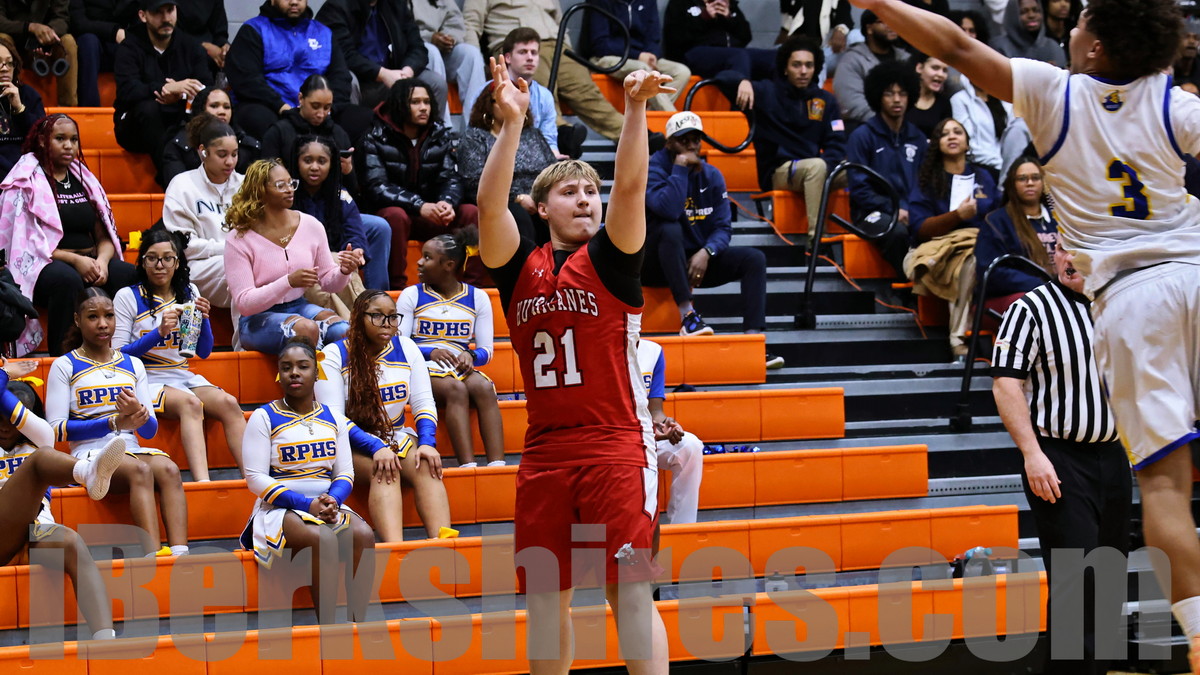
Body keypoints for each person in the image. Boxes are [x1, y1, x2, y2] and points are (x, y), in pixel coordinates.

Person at [842, 5, 1200, 640]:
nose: (1073, 28)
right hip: (1195, 270)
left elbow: (955, 46)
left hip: (1135, 297)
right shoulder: (1178, 104)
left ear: (1096, 48)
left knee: (1166, 490)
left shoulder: (1054, 92)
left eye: (1083, 21)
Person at [478, 57, 673, 673]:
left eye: (591, 191)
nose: (586, 199)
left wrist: (636, 108)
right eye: (570, 192)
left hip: (616, 444)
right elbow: (488, 207)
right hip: (545, 452)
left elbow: (632, 187)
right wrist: (511, 125)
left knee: (630, 589)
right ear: (541, 208)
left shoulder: (613, 258)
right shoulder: (519, 268)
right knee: (545, 599)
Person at [991, 243, 1130, 675]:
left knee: (1107, 578)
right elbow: (1005, 384)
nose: (1069, 259)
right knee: (1077, 579)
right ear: (1053, 255)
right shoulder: (1030, 309)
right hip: (1058, 457)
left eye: (1079, 249)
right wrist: (1032, 454)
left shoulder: (1119, 304)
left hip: (1113, 455)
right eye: (1061, 249)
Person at [240, 336, 377, 622]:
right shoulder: (263, 417)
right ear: (279, 374)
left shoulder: (334, 418)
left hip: (326, 504)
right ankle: (328, 629)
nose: (294, 373)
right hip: (278, 508)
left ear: (317, 373)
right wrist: (306, 504)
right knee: (321, 538)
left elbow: (345, 473)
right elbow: (254, 478)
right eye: (286, 367)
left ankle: (358, 623)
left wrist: (333, 500)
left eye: (303, 366)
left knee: (364, 535)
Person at [47, 287, 190, 557]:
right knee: (140, 471)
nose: (103, 324)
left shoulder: (133, 364)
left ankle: (181, 555)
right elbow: (57, 429)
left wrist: (139, 413)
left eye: (109, 316)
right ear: (77, 320)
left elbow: (150, 431)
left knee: (170, 470)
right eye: (93, 317)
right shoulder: (65, 365)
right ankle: (153, 557)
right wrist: (113, 423)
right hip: (89, 453)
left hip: (131, 447)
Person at [644, 112, 782, 369]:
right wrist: (680, 169)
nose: (691, 146)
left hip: (694, 263)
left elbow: (723, 227)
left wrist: (707, 251)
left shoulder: (712, 175)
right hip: (656, 263)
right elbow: (668, 210)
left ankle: (753, 342)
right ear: (670, 143)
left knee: (754, 259)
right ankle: (688, 316)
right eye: (684, 140)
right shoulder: (654, 168)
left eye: (696, 139)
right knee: (669, 228)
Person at [316, 290, 455, 542]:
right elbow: (334, 419)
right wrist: (375, 446)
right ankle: (395, 550)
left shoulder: (407, 348)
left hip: (395, 434)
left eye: (392, 317)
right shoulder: (331, 356)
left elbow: (423, 401)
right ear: (358, 318)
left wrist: (427, 442)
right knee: (384, 470)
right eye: (377, 316)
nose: (387, 324)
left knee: (427, 464)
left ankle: (445, 545)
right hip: (348, 442)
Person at [113, 226, 247, 480]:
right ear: (142, 261)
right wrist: (159, 333)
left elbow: (203, 352)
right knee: (190, 403)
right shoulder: (127, 296)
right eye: (152, 258)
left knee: (229, 403)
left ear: (177, 263)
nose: (160, 265)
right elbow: (118, 356)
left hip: (180, 374)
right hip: (146, 378)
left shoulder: (189, 292)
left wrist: (204, 319)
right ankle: (203, 484)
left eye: (167, 258)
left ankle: (253, 483)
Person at [0, 370, 124, 640]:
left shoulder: (40, 440)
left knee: (71, 542)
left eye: (11, 420)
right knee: (39, 462)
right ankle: (87, 472)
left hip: (33, 532)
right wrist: (4, 371)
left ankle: (106, 641)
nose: (5, 427)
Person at [0, 114, 137, 357]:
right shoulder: (25, 181)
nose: (69, 146)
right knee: (67, 280)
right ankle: (62, 357)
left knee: (128, 274)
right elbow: (26, 244)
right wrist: (75, 260)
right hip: (43, 264)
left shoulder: (84, 179)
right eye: (60, 139)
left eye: (74, 140)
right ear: (42, 140)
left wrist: (102, 261)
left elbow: (104, 236)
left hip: (90, 259)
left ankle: (122, 351)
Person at [223, 159, 362, 355]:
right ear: (260, 191)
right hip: (256, 318)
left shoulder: (311, 225)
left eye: (291, 183)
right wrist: (288, 281)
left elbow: (329, 283)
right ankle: (311, 375)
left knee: (344, 331)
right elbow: (245, 304)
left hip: (299, 306)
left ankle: (341, 376)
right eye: (281, 185)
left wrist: (343, 271)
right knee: (305, 329)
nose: (289, 190)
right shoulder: (239, 238)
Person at [717, 35, 847, 237]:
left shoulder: (825, 100)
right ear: (785, 68)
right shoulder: (766, 92)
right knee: (816, 167)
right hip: (779, 171)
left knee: (854, 170)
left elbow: (836, 144)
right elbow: (722, 78)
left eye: (809, 65)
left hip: (816, 168)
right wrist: (742, 81)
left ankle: (869, 229)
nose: (803, 71)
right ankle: (817, 241)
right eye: (796, 65)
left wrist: (828, 168)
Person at [398, 234, 505, 467]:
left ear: (448, 265)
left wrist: (471, 355)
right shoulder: (411, 295)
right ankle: (468, 465)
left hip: (457, 366)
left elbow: (487, 350)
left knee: (484, 387)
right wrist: (430, 352)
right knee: (455, 389)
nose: (419, 262)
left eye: (428, 258)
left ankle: (497, 465)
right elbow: (399, 344)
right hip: (420, 365)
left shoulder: (478, 297)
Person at [360, 80, 478, 290]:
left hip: (433, 213)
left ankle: (471, 286)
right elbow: (377, 186)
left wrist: (447, 202)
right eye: (415, 102)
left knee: (471, 212)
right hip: (400, 216)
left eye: (427, 102)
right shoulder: (375, 135)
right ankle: (396, 288)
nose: (423, 107)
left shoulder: (439, 133)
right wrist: (419, 205)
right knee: (395, 216)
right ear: (399, 104)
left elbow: (451, 178)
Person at [462, 0, 628, 143]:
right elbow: (470, 23)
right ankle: (562, 134)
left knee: (587, 91)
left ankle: (628, 133)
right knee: (540, 86)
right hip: (517, 47)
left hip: (558, 45)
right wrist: (478, 64)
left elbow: (559, 20)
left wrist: (566, 46)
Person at [906, 117, 997, 358]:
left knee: (976, 256)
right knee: (968, 264)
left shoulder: (984, 176)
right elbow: (920, 228)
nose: (952, 136)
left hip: (979, 243)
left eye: (957, 132)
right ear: (937, 144)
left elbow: (998, 216)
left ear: (967, 143)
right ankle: (957, 338)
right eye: (945, 134)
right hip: (936, 248)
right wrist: (957, 216)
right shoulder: (927, 179)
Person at [225, 0, 368, 142]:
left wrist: (325, 110)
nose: (294, 2)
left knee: (363, 118)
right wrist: (283, 107)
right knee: (256, 117)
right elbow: (247, 79)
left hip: (320, 110)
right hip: (274, 108)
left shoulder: (324, 33)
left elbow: (341, 78)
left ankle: (343, 157)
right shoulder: (254, 30)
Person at [846, 59, 927, 276]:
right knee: (898, 232)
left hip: (912, 212)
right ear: (878, 97)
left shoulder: (918, 138)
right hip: (871, 214)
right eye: (889, 94)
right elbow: (860, 190)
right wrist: (895, 209)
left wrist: (912, 210)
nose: (897, 99)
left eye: (902, 93)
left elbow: (925, 183)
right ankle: (910, 287)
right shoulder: (862, 136)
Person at [112, 0, 212, 178]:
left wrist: (180, 94)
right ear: (143, 15)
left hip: (179, 120)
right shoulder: (129, 46)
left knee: (214, 110)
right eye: (158, 12)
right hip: (135, 127)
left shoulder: (191, 46)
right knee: (148, 109)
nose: (166, 18)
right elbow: (127, 90)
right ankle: (172, 179)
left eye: (170, 10)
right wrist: (164, 88)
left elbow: (206, 88)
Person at [162, 114, 245, 309]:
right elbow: (184, 246)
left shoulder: (246, 185)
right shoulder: (182, 185)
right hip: (198, 266)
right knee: (240, 268)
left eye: (234, 154)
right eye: (222, 155)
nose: (230, 162)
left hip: (242, 259)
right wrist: (228, 248)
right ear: (203, 151)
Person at [458, 81, 556, 244]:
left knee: (561, 211)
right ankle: (526, 260)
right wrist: (518, 197)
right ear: (488, 106)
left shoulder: (533, 134)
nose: (509, 106)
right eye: (502, 101)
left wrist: (540, 197)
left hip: (538, 198)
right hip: (501, 200)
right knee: (518, 215)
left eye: (514, 101)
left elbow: (553, 171)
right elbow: (472, 182)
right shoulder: (474, 137)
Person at [292, 135, 391, 293]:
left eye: (322, 161)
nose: (314, 167)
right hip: (296, 261)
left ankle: (376, 295)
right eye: (308, 160)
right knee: (336, 261)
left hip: (332, 258)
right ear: (297, 162)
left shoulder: (341, 195)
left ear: (331, 164)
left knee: (345, 260)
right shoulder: (288, 193)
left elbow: (354, 230)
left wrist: (356, 250)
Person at [316, 0, 448, 116]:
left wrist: (407, 71)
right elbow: (344, 55)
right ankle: (349, 135)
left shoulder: (396, 4)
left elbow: (418, 46)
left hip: (395, 74)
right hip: (363, 81)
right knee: (349, 81)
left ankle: (434, 135)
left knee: (435, 83)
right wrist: (383, 74)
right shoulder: (337, 7)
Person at [478, 28, 581, 161]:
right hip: (493, 156)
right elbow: (475, 134)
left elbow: (548, 138)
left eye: (534, 53)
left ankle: (568, 138)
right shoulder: (485, 91)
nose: (530, 58)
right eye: (523, 52)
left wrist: (555, 157)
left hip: (533, 158)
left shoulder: (545, 95)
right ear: (508, 58)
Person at [974, 156, 1056, 311]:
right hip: (1008, 297)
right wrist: (1040, 284)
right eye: (1022, 179)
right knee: (1037, 303)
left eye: (1035, 178)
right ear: (1012, 184)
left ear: (1043, 183)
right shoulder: (996, 222)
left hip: (1054, 291)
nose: (1030, 183)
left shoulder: (1058, 220)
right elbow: (991, 272)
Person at [636, 338, 702, 524]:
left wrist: (664, 423)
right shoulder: (598, 350)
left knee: (690, 445)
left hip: (643, 434)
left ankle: (684, 527)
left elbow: (655, 410)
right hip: (609, 438)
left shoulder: (652, 351)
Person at [582, 0, 691, 112]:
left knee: (681, 71)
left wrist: (651, 54)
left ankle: (651, 116)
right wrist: (637, 55)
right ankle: (674, 117)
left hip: (642, 56)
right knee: (643, 70)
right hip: (607, 57)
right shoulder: (600, 2)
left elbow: (654, 37)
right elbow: (600, 45)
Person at [259, 74, 355, 179]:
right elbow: (265, 179)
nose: (321, 114)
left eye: (327, 108)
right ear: (301, 98)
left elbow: (353, 187)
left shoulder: (338, 134)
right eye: (315, 106)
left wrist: (348, 170)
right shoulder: (278, 132)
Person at [160, 87, 261, 187]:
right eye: (214, 106)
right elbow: (177, 187)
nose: (222, 111)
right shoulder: (178, 146)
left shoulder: (247, 146)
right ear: (200, 110)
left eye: (226, 107)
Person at [835, 10, 910, 132]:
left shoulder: (905, 59)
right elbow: (852, 104)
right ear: (869, 28)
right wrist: (888, 121)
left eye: (894, 21)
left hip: (904, 126)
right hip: (866, 128)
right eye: (884, 21)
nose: (892, 25)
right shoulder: (851, 60)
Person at [411, 0, 486, 121]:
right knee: (432, 51)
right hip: (413, 50)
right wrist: (430, 37)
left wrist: (449, 37)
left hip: (443, 50)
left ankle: (475, 124)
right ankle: (442, 124)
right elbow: (401, 28)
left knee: (471, 54)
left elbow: (455, 21)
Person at [661, 0, 774, 80]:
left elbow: (745, 37)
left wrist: (729, 18)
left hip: (730, 53)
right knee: (738, 56)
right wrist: (704, 18)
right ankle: (739, 105)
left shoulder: (727, 3)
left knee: (772, 57)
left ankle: (777, 104)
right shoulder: (681, 3)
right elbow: (675, 40)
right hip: (693, 54)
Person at [0, 0, 78, 105]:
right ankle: (4, 102)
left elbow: (62, 19)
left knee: (68, 41)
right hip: (15, 46)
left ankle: (68, 108)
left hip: (47, 44)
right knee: (2, 38)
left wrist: (46, 34)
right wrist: (30, 27)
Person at [949, 62, 1014, 178]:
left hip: (1007, 167)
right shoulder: (960, 100)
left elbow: (1013, 136)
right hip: (979, 166)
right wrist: (1000, 164)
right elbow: (966, 141)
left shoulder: (1003, 100)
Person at [68, 0, 136, 107]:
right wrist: (114, 31)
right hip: (91, 43)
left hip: (122, 41)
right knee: (88, 42)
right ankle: (90, 110)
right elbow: (78, 23)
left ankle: (134, 107)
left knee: (137, 43)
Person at [0, 34, 46, 178]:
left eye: (9, 63)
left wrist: (20, 109)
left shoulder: (28, 95)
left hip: (26, 170)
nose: (4, 69)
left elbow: (42, 139)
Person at [778, 0, 853, 81]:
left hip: (826, 51)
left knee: (855, 36)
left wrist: (840, 30)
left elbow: (845, 18)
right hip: (800, 51)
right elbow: (785, 29)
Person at [990, 0, 1066, 67]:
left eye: (1036, 10)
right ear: (1013, 15)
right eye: (1023, 12)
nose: (1031, 15)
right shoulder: (999, 47)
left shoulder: (1052, 46)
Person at [905, 51, 952, 138]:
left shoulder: (944, 103)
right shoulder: (903, 98)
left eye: (945, 70)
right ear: (919, 68)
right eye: (935, 68)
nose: (941, 74)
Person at [174, 0, 227, 73]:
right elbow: (168, 31)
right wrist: (203, 46)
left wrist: (224, 47)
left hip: (209, 54)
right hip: (178, 54)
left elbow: (220, 31)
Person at [1039, 0, 1080, 65]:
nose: (1063, 4)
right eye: (1056, 0)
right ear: (1046, 5)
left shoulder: (1074, 32)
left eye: (1067, 1)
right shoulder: (1039, 34)